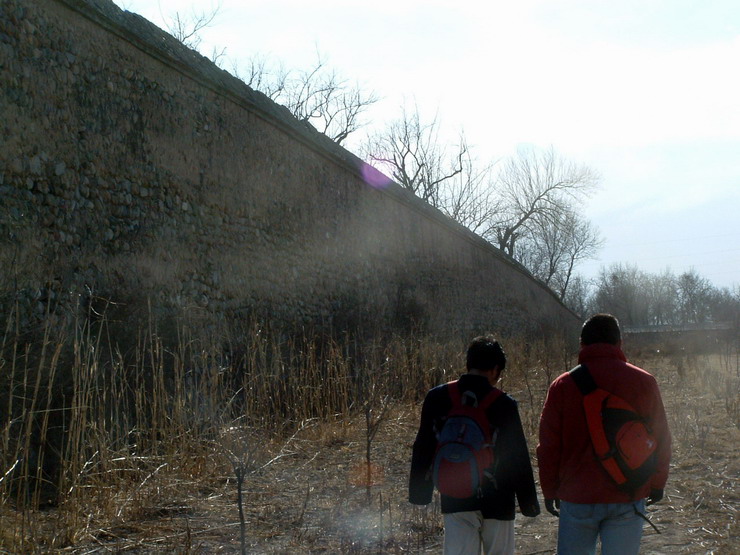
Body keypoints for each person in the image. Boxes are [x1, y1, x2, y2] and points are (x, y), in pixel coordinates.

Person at [537, 313, 671, 554]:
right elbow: (661, 437)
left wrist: (549, 489)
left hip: (577, 497)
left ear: (581, 344)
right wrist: (657, 482)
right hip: (629, 492)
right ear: (619, 343)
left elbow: (548, 445)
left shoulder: (562, 386)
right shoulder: (644, 381)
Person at [409, 335, 540, 555]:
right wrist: (529, 504)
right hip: (499, 500)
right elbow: (517, 458)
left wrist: (420, 493)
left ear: (468, 364)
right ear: (495, 369)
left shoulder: (437, 397)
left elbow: (423, 446)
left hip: (456, 496)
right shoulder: (504, 404)